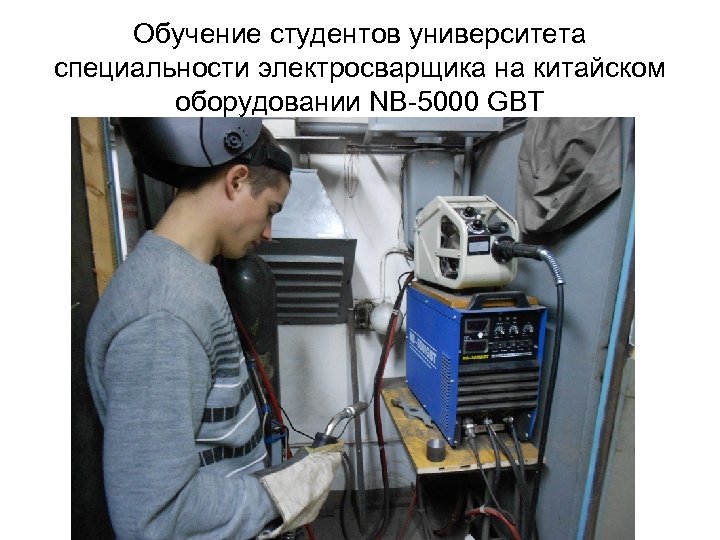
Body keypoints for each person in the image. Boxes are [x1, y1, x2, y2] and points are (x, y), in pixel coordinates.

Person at [85, 118, 341, 539]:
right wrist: (278, 495)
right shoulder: (162, 316)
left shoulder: (190, 276)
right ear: (236, 181)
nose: (269, 233)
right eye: (270, 210)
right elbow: (158, 517)